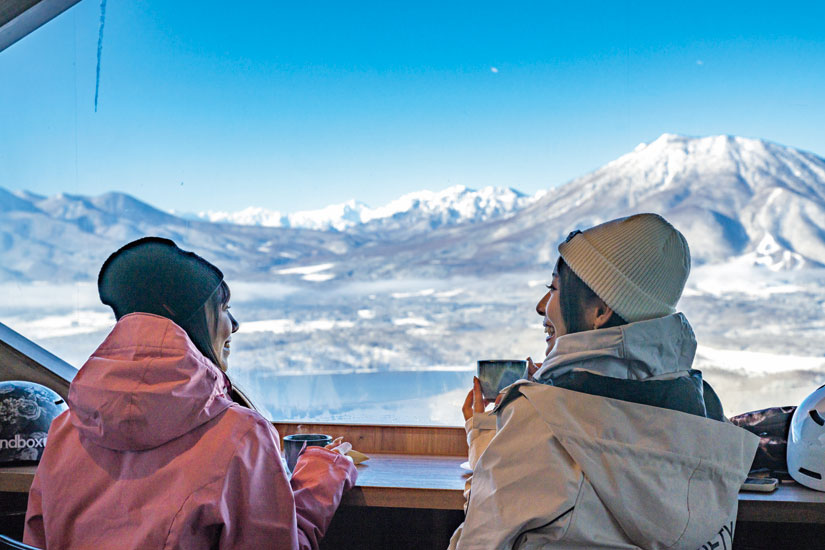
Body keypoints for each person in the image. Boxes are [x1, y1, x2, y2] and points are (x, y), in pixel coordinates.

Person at [24, 237, 357, 550]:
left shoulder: (64, 430)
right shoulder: (242, 436)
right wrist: (321, 479)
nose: (235, 324)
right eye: (224, 308)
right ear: (188, 317)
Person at [450, 214, 759, 550]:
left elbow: (477, 541)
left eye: (553, 289)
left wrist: (491, 441)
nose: (541, 307)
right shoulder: (706, 411)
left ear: (600, 311)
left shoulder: (540, 418)